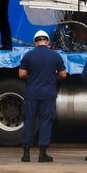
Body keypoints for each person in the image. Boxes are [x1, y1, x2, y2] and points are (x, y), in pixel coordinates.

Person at [18, 30, 67, 163]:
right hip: (48, 94)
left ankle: (26, 154)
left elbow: (21, 74)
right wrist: (52, 77)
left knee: (29, 122)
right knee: (45, 122)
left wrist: (32, 77)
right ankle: (42, 154)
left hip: (31, 94)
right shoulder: (55, 56)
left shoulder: (28, 55)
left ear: (35, 42)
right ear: (47, 41)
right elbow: (63, 74)